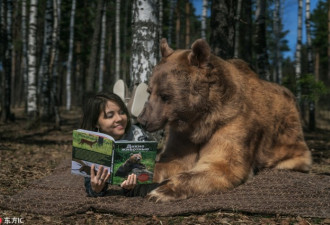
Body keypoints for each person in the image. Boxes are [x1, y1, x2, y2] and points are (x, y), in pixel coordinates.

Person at [80, 92, 160, 197]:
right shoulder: (91, 142)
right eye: (110, 115)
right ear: (96, 122)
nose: (119, 119)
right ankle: (129, 99)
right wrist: (96, 189)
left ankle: (132, 104)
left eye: (122, 112)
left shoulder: (137, 134)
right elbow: (90, 186)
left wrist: (131, 187)